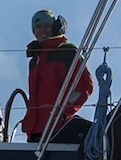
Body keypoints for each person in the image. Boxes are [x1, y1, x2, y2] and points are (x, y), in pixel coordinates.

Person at [21, 9, 94, 143]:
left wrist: (64, 112)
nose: (42, 30)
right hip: (35, 130)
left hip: (57, 127)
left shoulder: (68, 52)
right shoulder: (35, 60)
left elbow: (85, 87)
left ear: (55, 28)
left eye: (46, 26)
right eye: (38, 27)